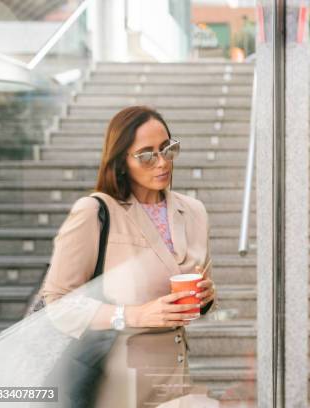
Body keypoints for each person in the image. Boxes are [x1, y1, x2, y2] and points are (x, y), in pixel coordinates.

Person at [41, 106, 216, 407]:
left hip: (175, 381)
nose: (161, 163)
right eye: (146, 155)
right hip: (114, 384)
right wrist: (132, 314)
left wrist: (207, 298)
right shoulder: (94, 212)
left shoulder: (194, 212)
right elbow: (57, 302)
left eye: (167, 149)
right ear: (121, 161)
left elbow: (193, 293)